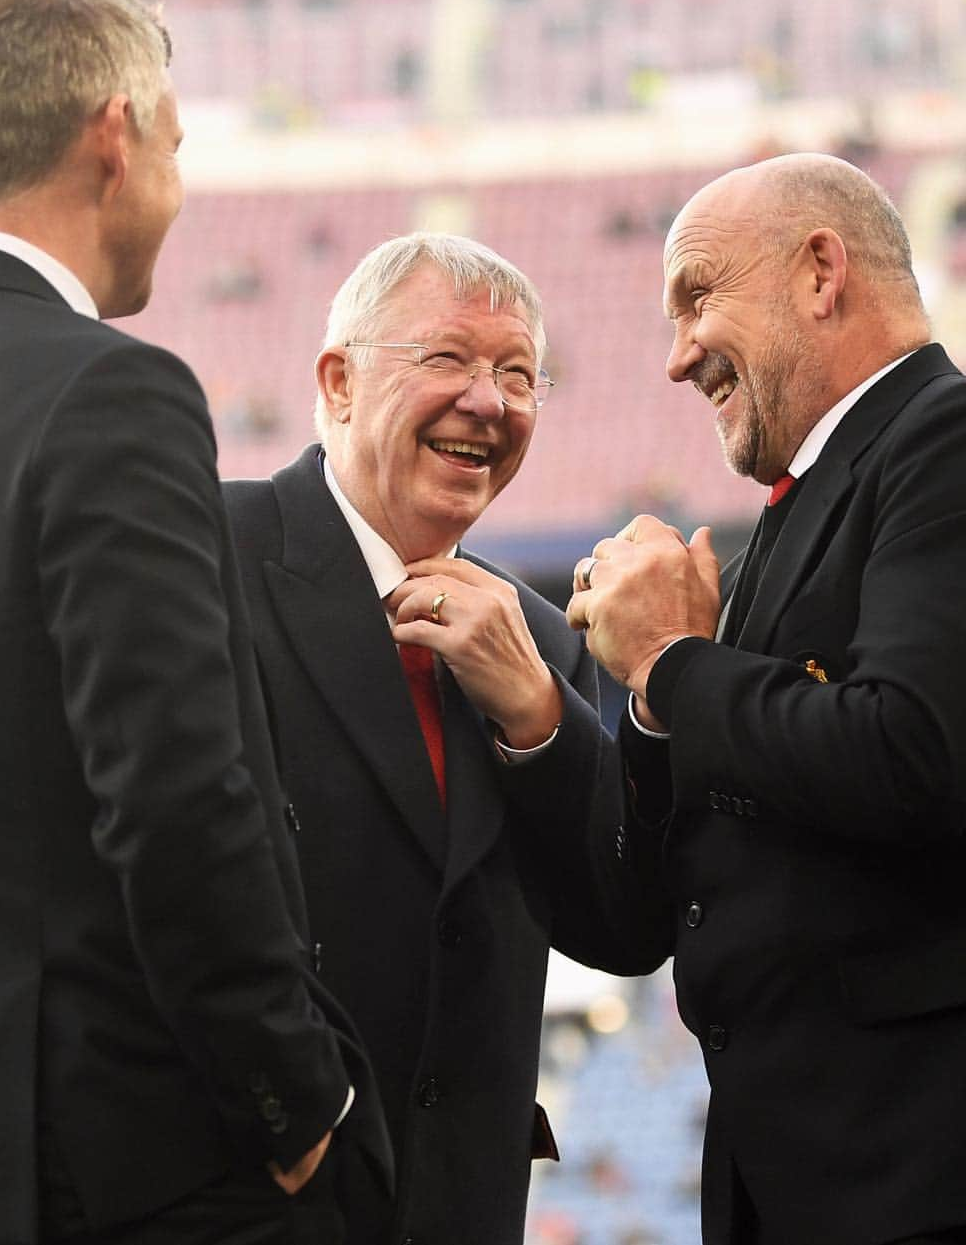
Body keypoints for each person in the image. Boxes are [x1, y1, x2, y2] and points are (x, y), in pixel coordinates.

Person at [0, 0, 391, 1245]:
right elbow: (174, 792)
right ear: (114, 132)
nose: (178, 177)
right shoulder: (109, 393)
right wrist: (296, 1100)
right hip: (130, 1164)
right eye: (175, 138)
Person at [222, 232, 669, 1245]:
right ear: (338, 382)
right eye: (449, 360)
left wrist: (540, 718)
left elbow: (624, 926)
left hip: (458, 1207)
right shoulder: (213, 559)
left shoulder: (541, 636)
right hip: (256, 1192)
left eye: (520, 375)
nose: (490, 402)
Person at [567, 152, 966, 1245]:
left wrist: (673, 663)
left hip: (909, 1175)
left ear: (821, 272)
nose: (676, 354)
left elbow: (914, 749)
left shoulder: (942, 438)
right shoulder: (794, 508)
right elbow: (665, 889)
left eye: (699, 296)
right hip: (790, 1179)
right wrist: (603, 710)